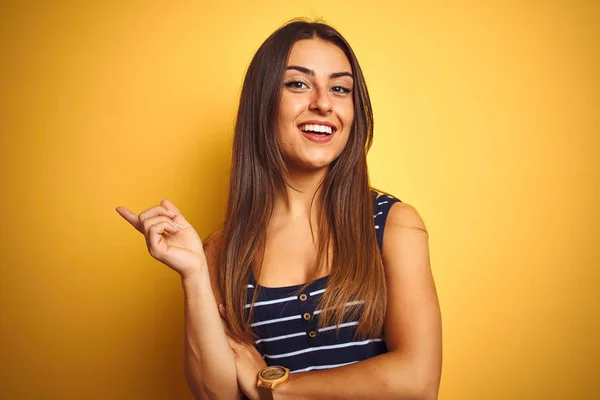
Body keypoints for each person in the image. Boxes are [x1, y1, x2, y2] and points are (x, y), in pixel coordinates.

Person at [116, 19, 442, 400]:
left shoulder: (393, 225)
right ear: (263, 102)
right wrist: (194, 275)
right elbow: (217, 394)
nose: (323, 103)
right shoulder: (223, 254)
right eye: (298, 84)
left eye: (340, 88)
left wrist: (278, 386)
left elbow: (418, 382)